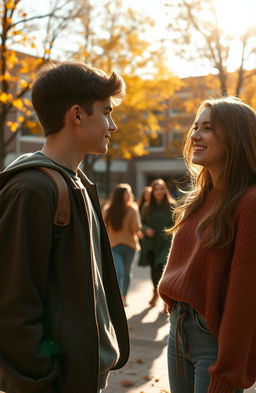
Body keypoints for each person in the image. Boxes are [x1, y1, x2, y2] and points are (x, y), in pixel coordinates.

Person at [0, 61, 130, 393]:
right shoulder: (32, 189)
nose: (112, 125)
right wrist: (41, 380)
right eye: (106, 112)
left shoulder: (75, 184)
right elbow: (13, 303)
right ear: (76, 115)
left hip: (82, 377)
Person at [158, 96, 256, 393]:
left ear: (236, 137)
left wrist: (226, 374)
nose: (195, 136)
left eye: (208, 128)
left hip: (211, 339)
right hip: (178, 329)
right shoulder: (200, 198)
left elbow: (245, 299)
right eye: (195, 127)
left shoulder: (249, 204)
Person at [138, 178, 176, 310]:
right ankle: (155, 293)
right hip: (152, 244)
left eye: (162, 189)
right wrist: (146, 229)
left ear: (165, 190)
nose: (159, 191)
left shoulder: (172, 205)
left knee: (163, 270)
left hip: (167, 244)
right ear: (153, 191)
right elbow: (141, 223)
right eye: (156, 189)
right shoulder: (146, 207)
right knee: (154, 271)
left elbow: (178, 224)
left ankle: (166, 301)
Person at [103, 183, 141, 307]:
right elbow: (136, 228)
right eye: (128, 192)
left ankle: (124, 297)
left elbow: (135, 228)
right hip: (115, 246)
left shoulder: (132, 209)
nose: (131, 195)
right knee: (120, 273)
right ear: (121, 195)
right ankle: (118, 298)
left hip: (129, 246)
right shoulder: (109, 210)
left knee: (125, 272)